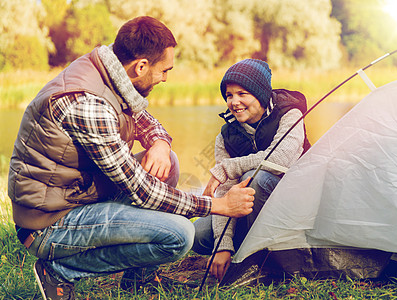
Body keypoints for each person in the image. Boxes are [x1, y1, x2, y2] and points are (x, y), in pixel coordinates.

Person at [8, 16, 255, 299]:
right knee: (179, 236)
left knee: (168, 161)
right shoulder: (88, 105)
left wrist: (160, 143)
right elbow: (143, 191)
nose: (165, 78)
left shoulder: (109, 71)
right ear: (141, 66)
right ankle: (60, 271)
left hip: (76, 195)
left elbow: (144, 119)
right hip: (48, 225)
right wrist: (219, 205)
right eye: (164, 70)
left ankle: (138, 279)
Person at [192, 59, 311, 281]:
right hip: (249, 211)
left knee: (254, 178)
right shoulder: (226, 136)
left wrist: (228, 167)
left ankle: (266, 256)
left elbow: (280, 159)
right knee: (198, 235)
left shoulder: (290, 114)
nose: (234, 101)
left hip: (295, 207)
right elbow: (224, 191)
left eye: (242, 93)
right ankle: (244, 245)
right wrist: (222, 245)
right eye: (229, 95)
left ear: (260, 94)